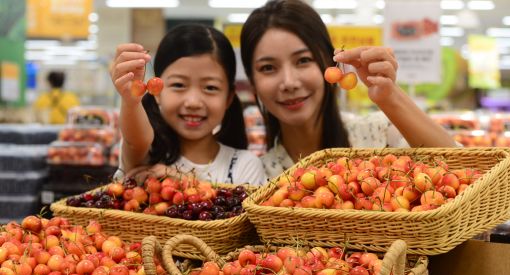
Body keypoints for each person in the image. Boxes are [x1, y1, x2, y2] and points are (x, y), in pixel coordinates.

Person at [240, 0, 457, 179]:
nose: (289, 82)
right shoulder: (258, 176)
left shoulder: (378, 135)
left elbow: (464, 171)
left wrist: (391, 98)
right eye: (268, 68)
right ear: (253, 83)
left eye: (303, 60)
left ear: (328, 62)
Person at [110, 24, 267, 186]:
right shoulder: (147, 153)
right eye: (179, 85)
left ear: (228, 98)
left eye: (210, 87)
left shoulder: (244, 165)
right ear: (156, 93)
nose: (193, 102)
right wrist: (130, 101)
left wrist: (187, 184)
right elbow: (136, 141)